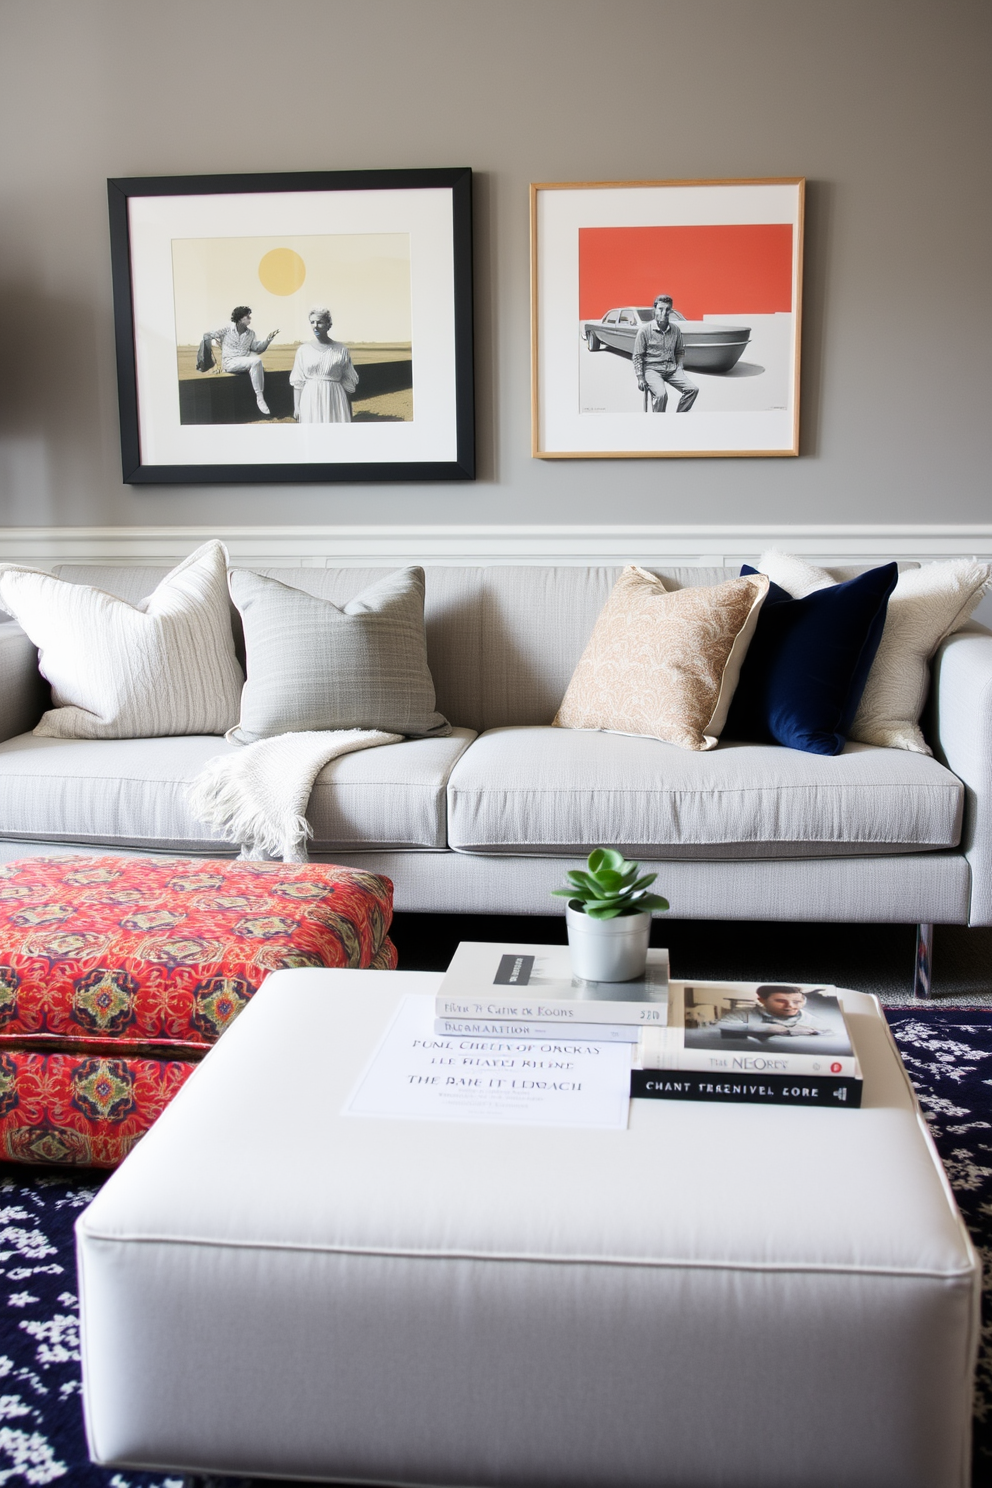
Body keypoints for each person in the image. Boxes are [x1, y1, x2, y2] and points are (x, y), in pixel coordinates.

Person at [198, 306, 280, 416]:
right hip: (229, 362)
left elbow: (257, 348)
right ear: (240, 318)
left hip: (243, 362)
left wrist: (268, 340)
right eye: (247, 316)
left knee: (256, 362)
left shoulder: (251, 334)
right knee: (256, 362)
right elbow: (207, 336)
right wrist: (213, 347)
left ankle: (260, 398)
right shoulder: (227, 329)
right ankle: (260, 398)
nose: (250, 318)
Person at [289, 306, 359, 423]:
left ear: (328, 325)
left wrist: (347, 410)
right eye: (312, 322)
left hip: (335, 398)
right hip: (310, 398)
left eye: (320, 322)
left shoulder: (341, 349)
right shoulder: (303, 350)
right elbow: (298, 382)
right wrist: (297, 407)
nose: (315, 326)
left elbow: (348, 383)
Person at [632, 294, 698, 412]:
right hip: (652, 369)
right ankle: (659, 423)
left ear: (670, 311)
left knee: (692, 390)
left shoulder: (676, 330)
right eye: (661, 309)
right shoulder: (644, 331)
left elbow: (679, 351)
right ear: (655, 310)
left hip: (671, 369)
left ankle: (677, 418)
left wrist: (679, 367)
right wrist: (640, 377)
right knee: (661, 395)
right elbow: (638, 356)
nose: (664, 313)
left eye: (667, 310)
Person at [717, 985, 831, 1040]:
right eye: (780, 1001)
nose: (790, 1006)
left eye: (797, 1001)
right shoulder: (744, 1013)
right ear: (762, 1000)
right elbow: (720, 1026)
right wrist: (766, 1028)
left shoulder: (816, 1021)